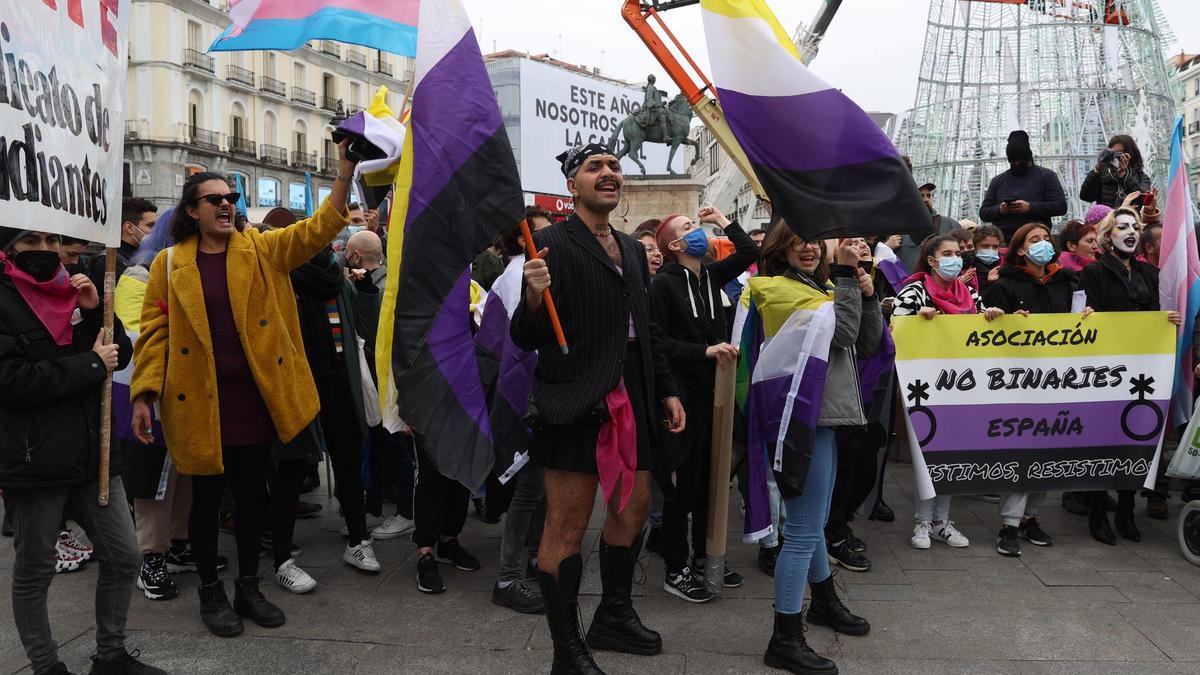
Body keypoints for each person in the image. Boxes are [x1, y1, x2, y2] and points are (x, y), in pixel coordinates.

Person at [130, 142, 358, 637]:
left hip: (254, 400)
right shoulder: (168, 265)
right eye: (214, 198)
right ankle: (211, 592)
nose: (227, 203)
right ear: (192, 211)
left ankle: (249, 586)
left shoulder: (261, 249)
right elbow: (153, 332)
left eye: (231, 195)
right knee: (208, 503)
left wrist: (345, 168)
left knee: (253, 496)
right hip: (198, 402)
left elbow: (320, 228)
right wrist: (144, 393)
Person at [513, 144, 685, 672]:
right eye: (594, 168)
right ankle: (567, 651)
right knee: (566, 524)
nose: (608, 174)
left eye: (614, 167)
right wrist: (533, 295)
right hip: (576, 398)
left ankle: (613, 614)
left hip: (633, 395)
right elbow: (526, 336)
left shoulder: (634, 250)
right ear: (573, 185)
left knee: (632, 509)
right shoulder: (548, 245)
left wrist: (666, 388)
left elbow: (646, 328)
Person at [0, 228, 165, 674]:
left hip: (95, 454)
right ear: (8, 247)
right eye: (31, 242)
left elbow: (120, 354)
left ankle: (110, 656)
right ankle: (46, 665)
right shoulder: (3, 300)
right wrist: (90, 364)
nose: (46, 251)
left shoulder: (74, 289)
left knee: (124, 556)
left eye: (52, 242)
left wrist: (95, 316)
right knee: (35, 570)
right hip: (35, 461)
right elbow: (12, 382)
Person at [748, 225, 882, 674]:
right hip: (802, 421)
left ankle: (823, 603)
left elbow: (866, 343)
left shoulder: (823, 287)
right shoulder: (775, 289)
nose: (807, 247)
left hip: (825, 417)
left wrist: (867, 294)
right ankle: (784, 638)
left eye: (813, 240)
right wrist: (848, 279)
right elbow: (842, 335)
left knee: (814, 523)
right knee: (804, 530)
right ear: (779, 248)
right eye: (797, 240)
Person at [650, 205, 756, 602]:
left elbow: (748, 253)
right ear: (676, 245)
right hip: (684, 398)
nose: (700, 232)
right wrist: (703, 351)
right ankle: (675, 569)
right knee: (684, 487)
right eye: (691, 227)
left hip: (716, 395)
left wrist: (722, 220)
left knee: (712, 482)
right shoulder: (663, 284)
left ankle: (704, 558)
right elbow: (657, 341)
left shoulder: (711, 275)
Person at [893, 234, 1004, 550]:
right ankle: (922, 522)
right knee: (927, 453)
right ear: (931, 260)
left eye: (958, 253)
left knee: (954, 451)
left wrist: (992, 318)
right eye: (948, 253)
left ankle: (942, 521)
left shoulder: (968, 292)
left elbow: (981, 328)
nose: (956, 258)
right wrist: (918, 322)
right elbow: (896, 331)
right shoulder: (913, 292)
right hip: (925, 387)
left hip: (962, 385)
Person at [1078, 207, 1181, 544]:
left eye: (1135, 226)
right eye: (1122, 226)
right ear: (1108, 236)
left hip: (1141, 370)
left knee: (1133, 436)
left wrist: (1169, 321)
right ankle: (1096, 511)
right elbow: (1080, 315)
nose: (1132, 231)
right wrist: (1085, 315)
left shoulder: (1150, 274)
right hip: (1105, 369)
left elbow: (1156, 314)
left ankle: (1125, 508)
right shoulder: (1093, 273)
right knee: (1100, 438)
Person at [982, 222, 1084, 556]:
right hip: (1020, 382)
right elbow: (992, 330)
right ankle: (1008, 524)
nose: (1043, 244)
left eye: (1046, 239)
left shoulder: (1068, 281)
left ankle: (1030, 517)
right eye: (1034, 240)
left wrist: (1087, 316)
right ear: (1021, 249)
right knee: (1022, 450)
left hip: (1059, 381)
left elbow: (1078, 322)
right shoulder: (1006, 284)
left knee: (1048, 452)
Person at [288, 245, 384, 579]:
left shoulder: (339, 280)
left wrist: (367, 289)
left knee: (348, 465)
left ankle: (358, 539)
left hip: (341, 384)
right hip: (301, 385)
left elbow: (365, 326)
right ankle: (282, 554)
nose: (326, 252)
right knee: (292, 468)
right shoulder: (287, 278)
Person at [486, 214, 555, 614]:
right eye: (540, 230)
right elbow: (511, 342)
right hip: (527, 394)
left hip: (541, 391)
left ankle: (534, 556)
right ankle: (508, 576)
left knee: (543, 485)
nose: (547, 237)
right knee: (529, 488)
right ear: (521, 237)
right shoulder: (518, 275)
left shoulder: (528, 272)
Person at [978, 130, 1068, 239]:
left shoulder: (1046, 176)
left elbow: (1060, 206)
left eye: (1020, 161)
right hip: (1004, 241)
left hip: (1036, 240)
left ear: (1028, 158)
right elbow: (984, 213)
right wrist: (1000, 210)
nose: (1016, 164)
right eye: (1012, 161)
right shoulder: (998, 181)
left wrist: (1030, 208)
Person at [88, 198, 158, 286]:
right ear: (129, 228)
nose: (157, 231)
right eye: (151, 226)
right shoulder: (110, 261)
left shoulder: (144, 258)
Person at [1079, 134, 1153, 209]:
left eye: (1120, 153)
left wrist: (1125, 176)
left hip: (1129, 220)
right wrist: (1097, 170)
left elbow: (1142, 200)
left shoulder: (1141, 177)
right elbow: (1086, 197)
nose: (1116, 157)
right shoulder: (1103, 176)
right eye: (1113, 154)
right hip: (1105, 220)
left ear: (1131, 154)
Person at [897, 183, 959, 271]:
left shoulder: (950, 224)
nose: (926, 199)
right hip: (908, 283)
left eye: (928, 195)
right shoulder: (897, 227)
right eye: (921, 196)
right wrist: (888, 246)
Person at [961, 225, 1004, 294]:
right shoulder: (965, 266)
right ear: (975, 246)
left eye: (995, 247)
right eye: (985, 246)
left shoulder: (1004, 265)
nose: (990, 250)